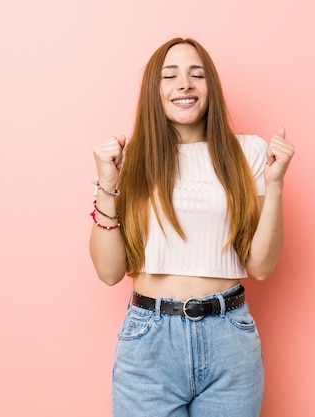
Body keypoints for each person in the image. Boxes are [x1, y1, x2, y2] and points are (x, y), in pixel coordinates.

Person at [89, 37, 295, 417]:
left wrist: (276, 182)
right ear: (156, 90)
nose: (184, 83)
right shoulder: (130, 155)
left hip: (229, 340)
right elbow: (108, 271)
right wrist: (107, 182)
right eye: (171, 75)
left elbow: (262, 267)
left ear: (209, 87)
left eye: (196, 74)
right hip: (149, 342)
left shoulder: (247, 152)